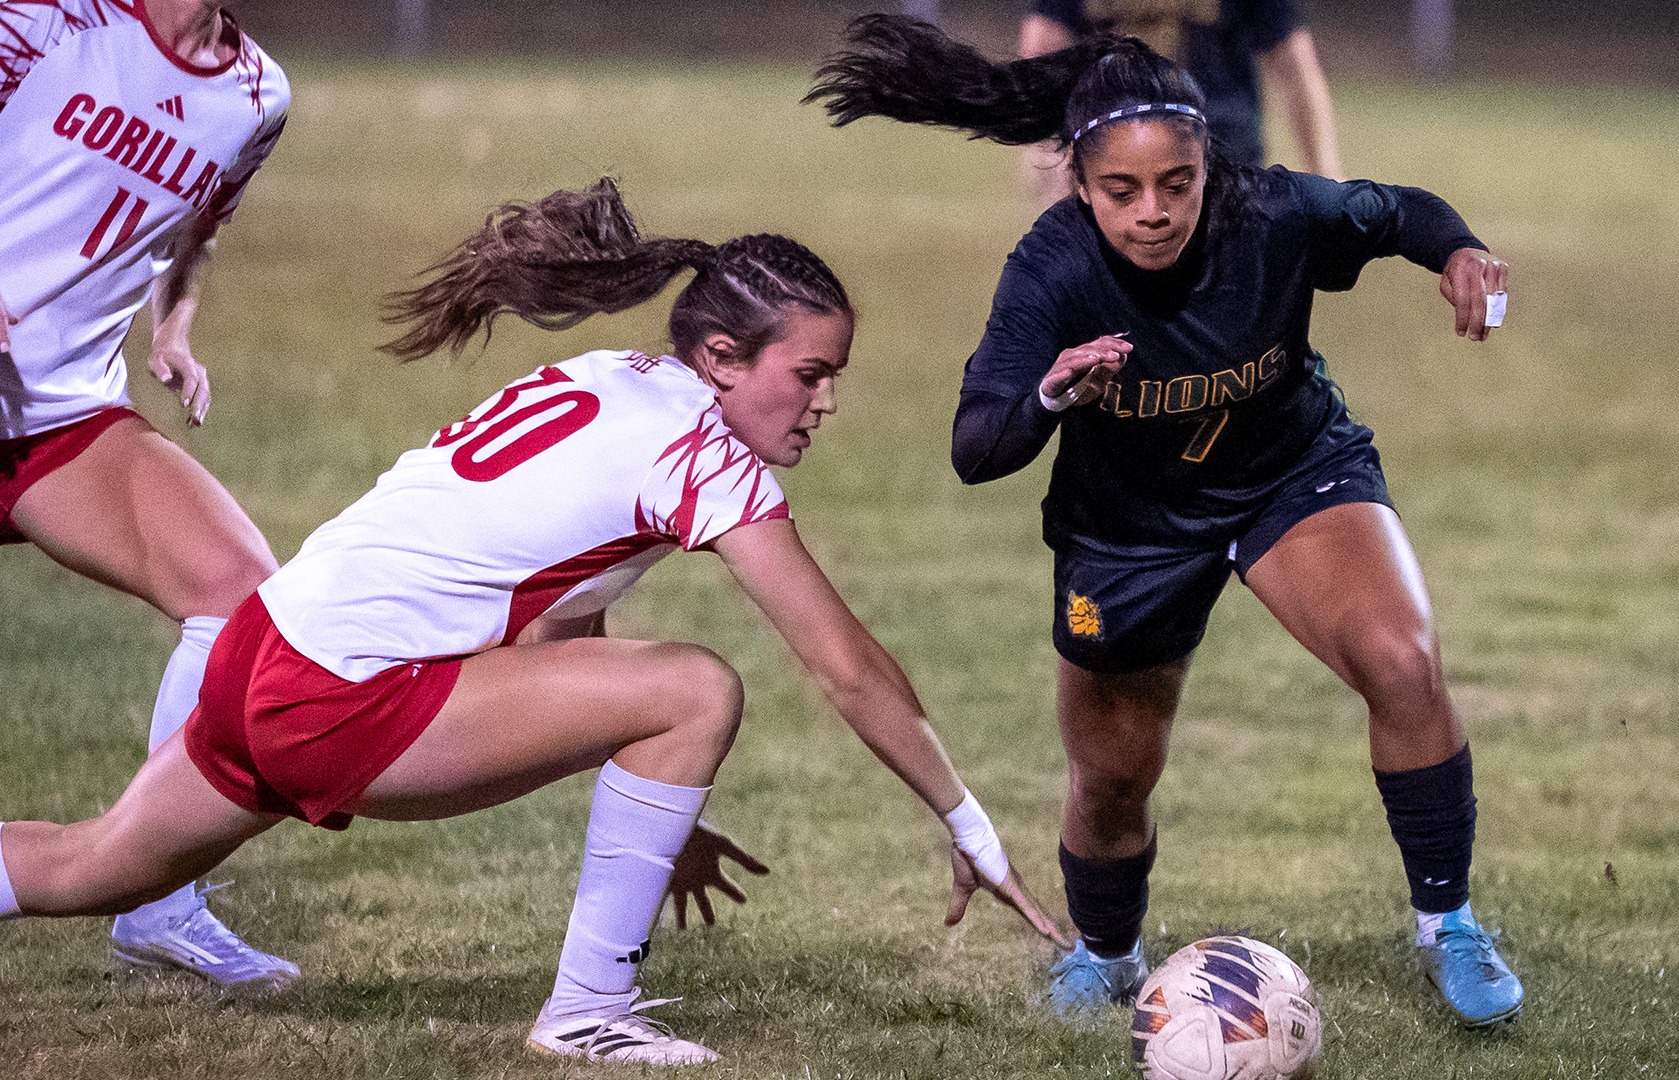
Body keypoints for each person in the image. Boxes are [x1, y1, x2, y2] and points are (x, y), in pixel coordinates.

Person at [0, 178, 1063, 1065]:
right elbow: (846, 667)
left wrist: (663, 811)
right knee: (698, 686)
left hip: (263, 650)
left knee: (89, 866)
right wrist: (969, 827)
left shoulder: (609, 380)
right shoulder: (697, 452)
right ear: (726, 359)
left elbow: (558, 626)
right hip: (334, 695)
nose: (825, 402)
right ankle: (587, 1013)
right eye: (811, 374)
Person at [808, 15, 1524, 1027]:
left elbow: (1396, 210)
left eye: (1176, 184)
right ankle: (1105, 952)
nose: (1154, 213)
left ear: (1206, 165)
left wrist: (1460, 253)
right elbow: (976, 448)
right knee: (1111, 775)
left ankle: (1447, 922)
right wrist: (1053, 394)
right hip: (1130, 528)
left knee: (1402, 662)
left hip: (1291, 475)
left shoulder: (1268, 211)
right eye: (1122, 191)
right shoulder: (1051, 271)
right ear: (1078, 184)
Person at [0, 0, 298, 990]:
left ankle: (158, 897)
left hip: (57, 419)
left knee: (240, 596)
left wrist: (172, 330)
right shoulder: (50, 20)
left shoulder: (257, 97)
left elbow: (197, 231)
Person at [1017, 0, 1342, 201]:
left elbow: (1039, 53)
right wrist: (1327, 179)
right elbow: (1295, 66)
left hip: (1131, 167)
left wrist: (1050, 166)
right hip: (1216, 158)